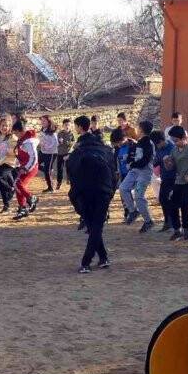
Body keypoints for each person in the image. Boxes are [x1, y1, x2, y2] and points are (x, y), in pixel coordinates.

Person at [67, 115, 118, 274]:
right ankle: (103, 258)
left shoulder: (76, 153)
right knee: (96, 226)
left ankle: (86, 261)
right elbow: (114, 174)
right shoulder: (106, 150)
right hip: (103, 191)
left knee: (93, 226)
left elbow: (72, 177)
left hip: (84, 192)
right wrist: (110, 193)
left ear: (79, 128)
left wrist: (76, 198)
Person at [120, 120, 155, 233]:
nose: (137, 130)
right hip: (134, 171)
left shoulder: (149, 143)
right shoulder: (139, 142)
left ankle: (148, 221)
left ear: (142, 130)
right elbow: (134, 155)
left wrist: (133, 163)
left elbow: (145, 161)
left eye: (139, 128)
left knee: (139, 197)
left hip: (144, 173)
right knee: (123, 188)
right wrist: (129, 160)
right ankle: (133, 211)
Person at [12, 118, 40, 220]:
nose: (16, 135)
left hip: (30, 167)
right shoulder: (23, 139)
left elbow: (34, 158)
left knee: (18, 184)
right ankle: (22, 208)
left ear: (21, 131)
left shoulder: (29, 142)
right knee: (17, 185)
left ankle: (31, 198)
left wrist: (26, 168)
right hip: (24, 166)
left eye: (16, 133)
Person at [0, 119, 18, 212]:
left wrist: (8, 151)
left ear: (10, 127)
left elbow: (16, 152)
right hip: (0, 162)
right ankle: (6, 206)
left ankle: (11, 188)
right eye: (3, 125)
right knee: (1, 186)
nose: (4, 127)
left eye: (6, 126)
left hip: (9, 163)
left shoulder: (12, 138)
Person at [152, 131, 176, 232]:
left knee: (170, 200)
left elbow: (175, 164)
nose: (157, 146)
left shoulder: (172, 148)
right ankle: (167, 222)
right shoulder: (158, 148)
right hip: (165, 177)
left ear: (162, 141)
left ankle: (173, 222)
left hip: (174, 177)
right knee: (162, 199)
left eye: (157, 144)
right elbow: (156, 161)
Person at [38, 115, 59, 193]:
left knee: (47, 171)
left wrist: (46, 146)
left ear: (49, 122)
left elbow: (55, 144)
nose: (42, 122)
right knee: (35, 165)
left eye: (44, 121)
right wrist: (40, 143)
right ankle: (49, 169)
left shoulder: (53, 133)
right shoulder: (43, 130)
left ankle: (50, 187)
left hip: (51, 153)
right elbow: (41, 139)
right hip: (42, 151)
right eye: (42, 121)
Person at [55, 118, 74, 189]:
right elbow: (58, 142)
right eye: (66, 125)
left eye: (68, 125)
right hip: (60, 153)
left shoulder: (71, 134)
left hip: (68, 153)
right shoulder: (60, 133)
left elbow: (73, 142)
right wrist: (60, 141)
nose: (67, 126)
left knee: (69, 167)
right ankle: (59, 182)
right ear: (63, 125)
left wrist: (70, 144)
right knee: (59, 169)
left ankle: (69, 179)